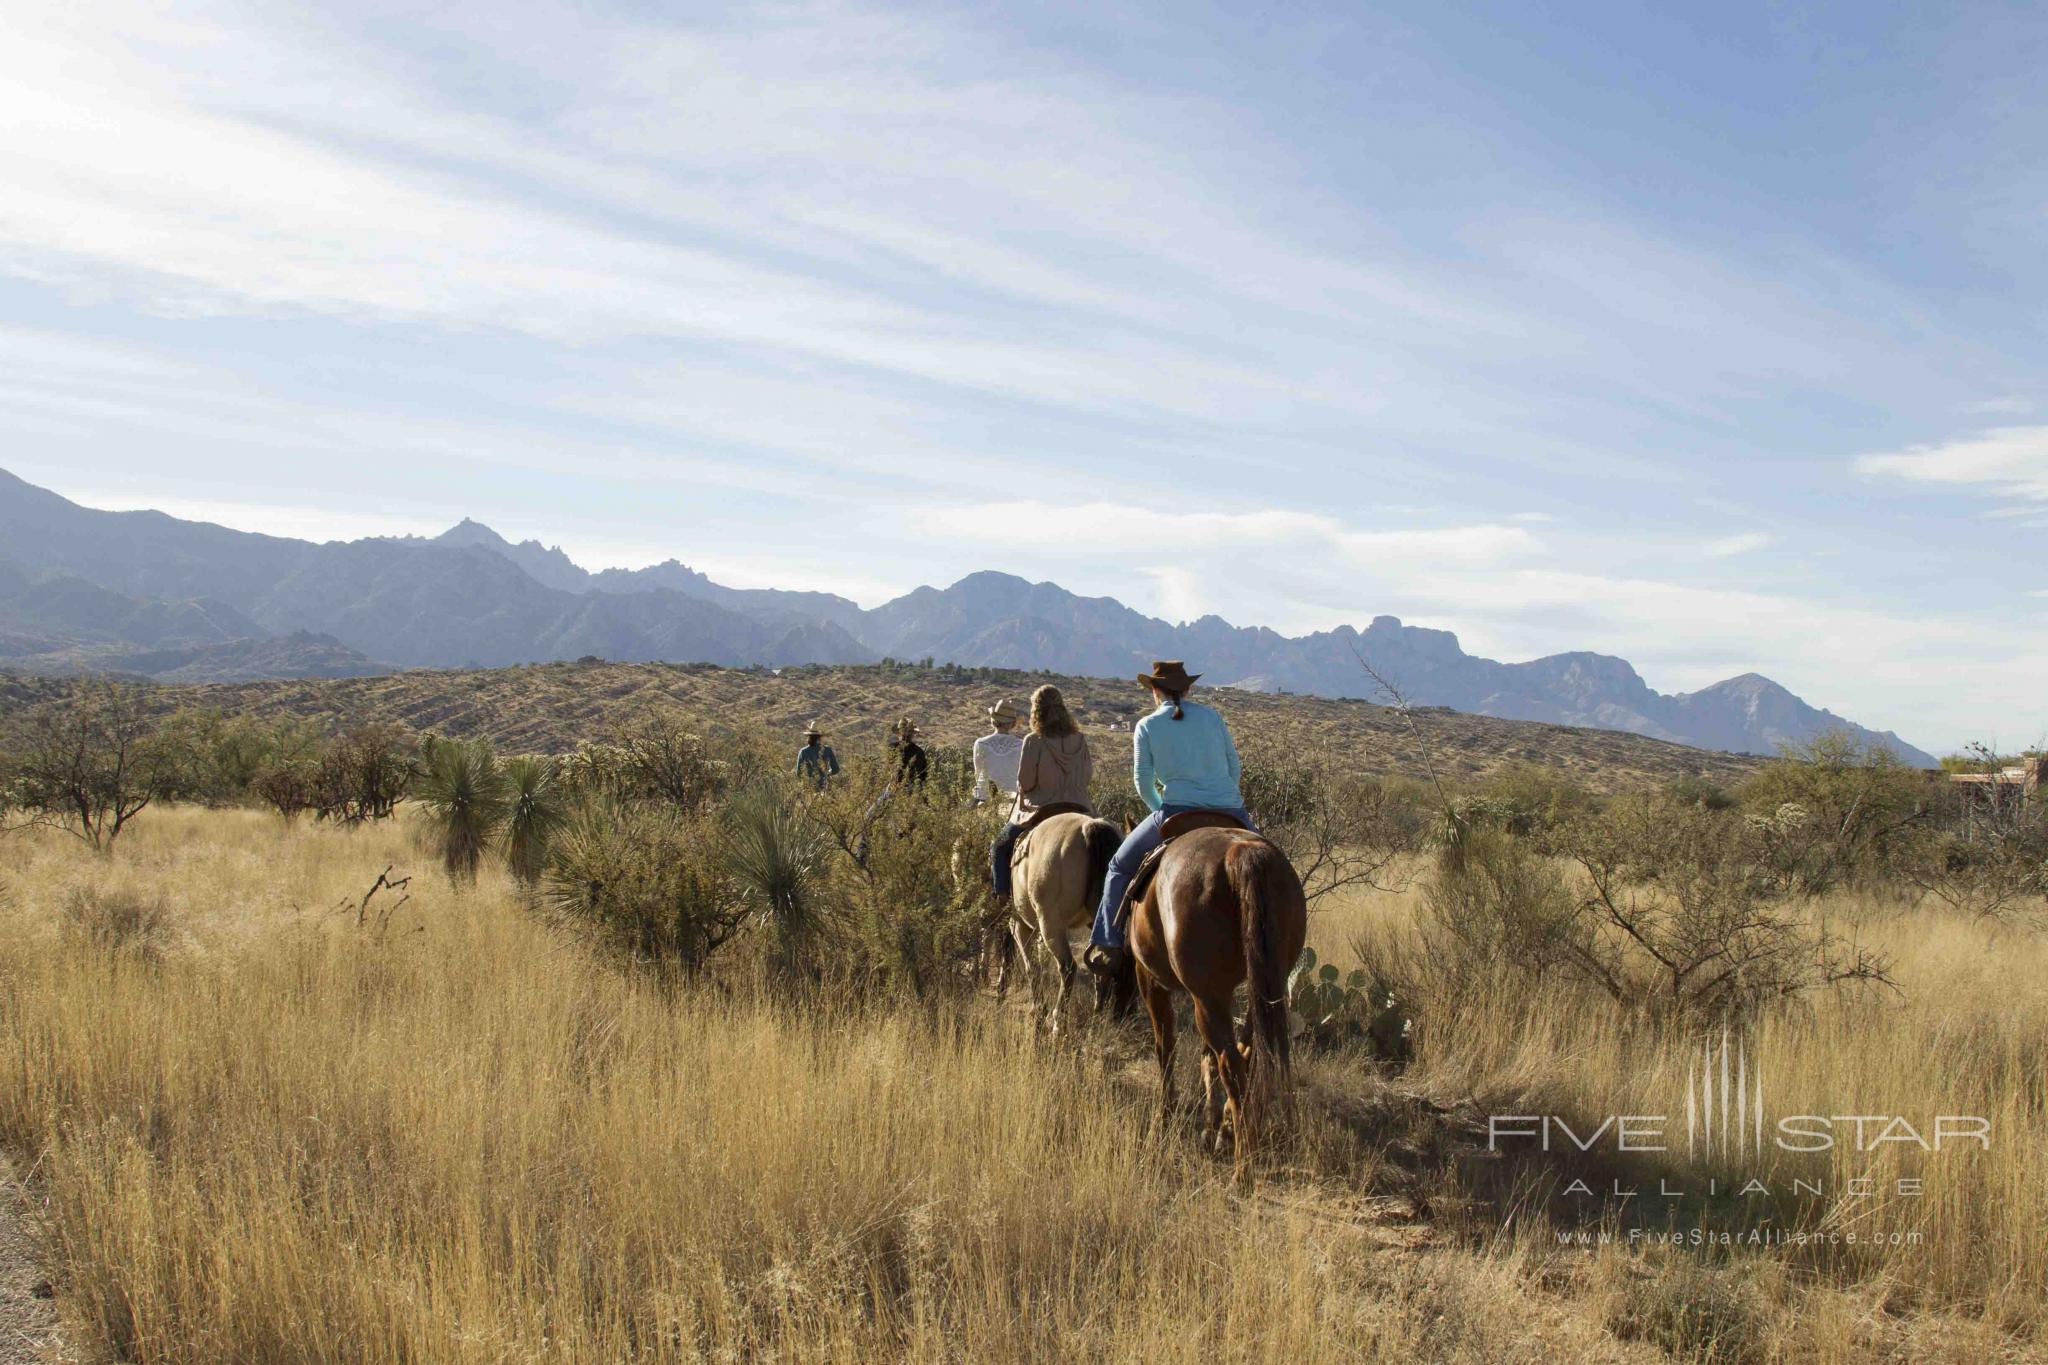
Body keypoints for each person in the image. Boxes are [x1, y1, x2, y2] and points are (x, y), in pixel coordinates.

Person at [1083, 661, 1253, 976]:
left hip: (1177, 810)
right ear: (1187, 689)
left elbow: (1142, 781)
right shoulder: (1212, 717)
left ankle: (1106, 941)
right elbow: (1234, 768)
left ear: (1154, 691)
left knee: (1119, 867)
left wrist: (1160, 809)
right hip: (1231, 810)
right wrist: (1222, 799)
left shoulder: (1147, 725)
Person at [990, 685, 1093, 901]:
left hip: (1041, 809)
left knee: (999, 845)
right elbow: (1086, 777)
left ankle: (1001, 896)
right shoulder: (1080, 739)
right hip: (1081, 808)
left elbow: (1026, 783)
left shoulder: (1033, 741)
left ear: (1036, 711)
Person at [971, 699, 1024, 805]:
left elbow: (978, 772)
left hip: (984, 797)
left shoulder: (981, 743)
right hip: (1012, 797)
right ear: (1012, 723)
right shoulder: (1021, 744)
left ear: (994, 720)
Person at [794, 721, 840, 789]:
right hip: (825, 787)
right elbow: (836, 769)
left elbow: (798, 774)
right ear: (820, 737)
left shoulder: (803, 752)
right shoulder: (827, 750)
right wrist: (826, 775)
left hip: (809, 789)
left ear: (809, 736)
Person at [893, 717, 929, 793]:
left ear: (899, 733)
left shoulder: (892, 748)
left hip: (894, 790)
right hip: (913, 793)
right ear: (912, 734)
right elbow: (924, 776)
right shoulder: (919, 752)